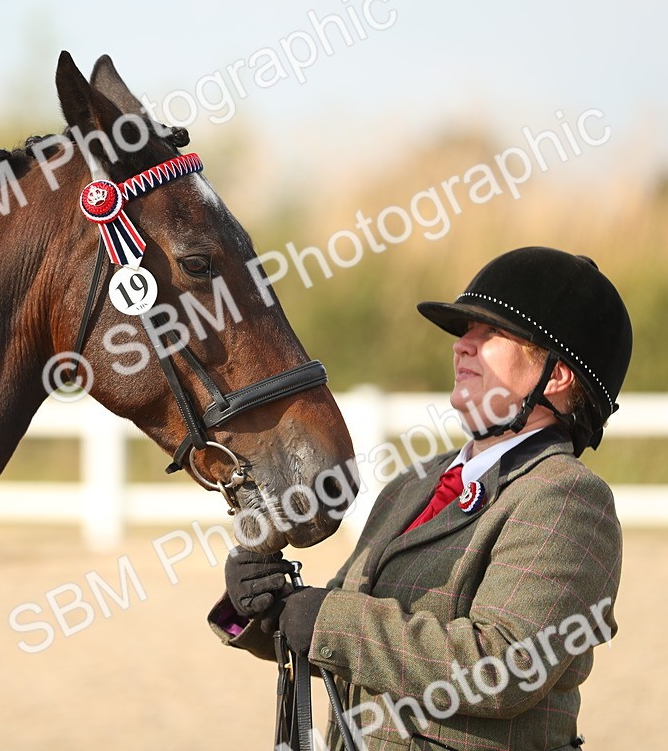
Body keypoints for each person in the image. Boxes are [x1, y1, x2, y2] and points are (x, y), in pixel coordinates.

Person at [209, 246, 632, 751]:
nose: (462, 347)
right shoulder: (414, 484)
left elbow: (508, 665)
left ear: (557, 376)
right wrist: (263, 608)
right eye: (463, 334)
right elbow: (345, 637)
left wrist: (325, 619)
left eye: (490, 334)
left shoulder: (566, 498)